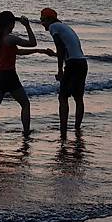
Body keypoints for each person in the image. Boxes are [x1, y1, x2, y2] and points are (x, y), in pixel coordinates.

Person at [0, 11, 55, 137]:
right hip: (9, 76)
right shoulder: (10, 38)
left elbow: (18, 52)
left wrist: (38, 51)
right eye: (13, 23)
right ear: (9, 24)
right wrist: (27, 26)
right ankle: (26, 132)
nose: (14, 26)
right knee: (25, 104)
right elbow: (32, 42)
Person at [39, 8, 88, 138]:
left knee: (63, 97)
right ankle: (77, 128)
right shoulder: (64, 27)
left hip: (73, 64)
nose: (42, 23)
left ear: (49, 19)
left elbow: (60, 48)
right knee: (78, 98)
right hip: (82, 63)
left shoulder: (54, 27)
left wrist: (60, 70)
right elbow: (69, 51)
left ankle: (63, 130)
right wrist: (54, 55)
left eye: (42, 20)